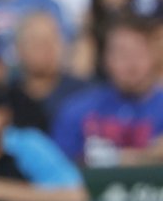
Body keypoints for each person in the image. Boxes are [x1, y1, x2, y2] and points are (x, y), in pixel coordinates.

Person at [53, 16, 163, 166]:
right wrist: (140, 157)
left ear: (154, 56)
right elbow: (57, 168)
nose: (132, 64)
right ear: (105, 59)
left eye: (140, 52)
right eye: (122, 54)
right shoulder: (76, 110)